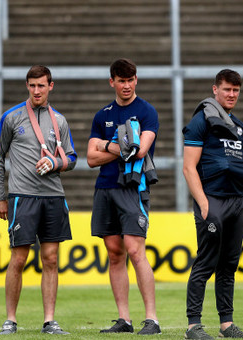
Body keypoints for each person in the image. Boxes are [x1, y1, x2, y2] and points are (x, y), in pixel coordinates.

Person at [0, 65, 77, 335]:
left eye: (41, 85)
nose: (36, 90)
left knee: (51, 259)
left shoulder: (59, 121)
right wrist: (0, 198)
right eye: (32, 85)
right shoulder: (11, 118)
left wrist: (54, 162)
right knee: (18, 258)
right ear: (27, 86)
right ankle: (10, 319)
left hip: (53, 196)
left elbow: (72, 159)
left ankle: (49, 321)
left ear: (51, 86)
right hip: (22, 197)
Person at [87, 58, 161, 335]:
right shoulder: (101, 114)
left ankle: (152, 319)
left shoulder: (147, 111)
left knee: (135, 250)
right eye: (121, 80)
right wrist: (115, 145)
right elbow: (90, 158)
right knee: (115, 255)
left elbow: (139, 151)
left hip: (133, 188)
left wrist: (104, 145)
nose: (126, 85)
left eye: (131, 80)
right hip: (105, 188)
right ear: (112, 82)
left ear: (136, 81)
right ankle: (124, 320)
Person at [182, 69, 243, 339]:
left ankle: (227, 324)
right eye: (227, 89)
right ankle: (193, 325)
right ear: (215, 89)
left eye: (236, 90)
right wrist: (203, 203)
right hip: (211, 200)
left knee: (229, 265)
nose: (232, 94)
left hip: (237, 201)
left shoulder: (240, 128)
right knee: (206, 261)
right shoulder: (200, 122)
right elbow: (189, 168)